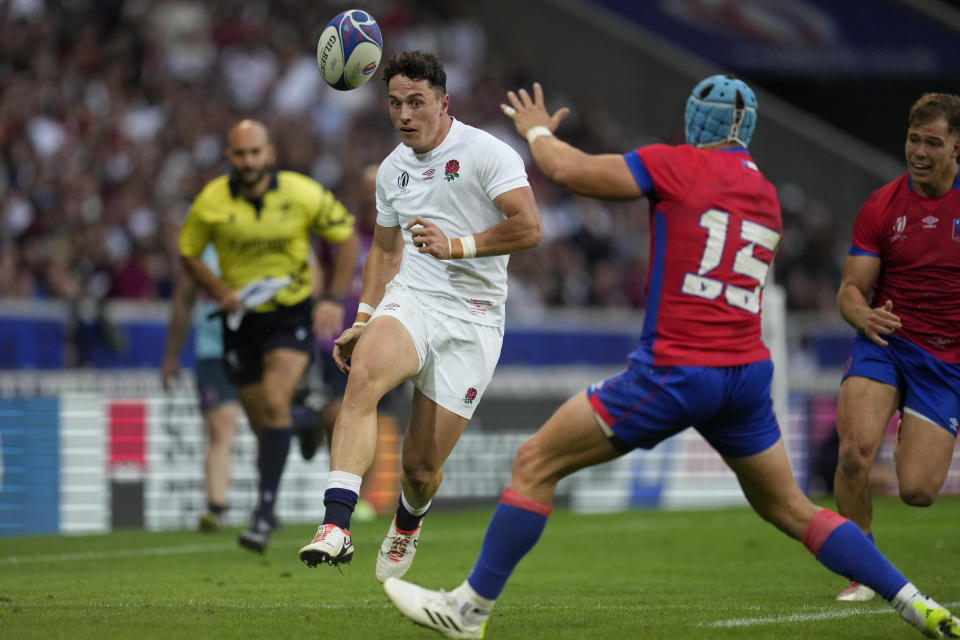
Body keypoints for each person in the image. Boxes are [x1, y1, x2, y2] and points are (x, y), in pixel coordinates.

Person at [381, 77, 960, 639]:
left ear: (694, 121)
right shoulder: (766, 194)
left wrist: (535, 132)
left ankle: (469, 608)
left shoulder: (679, 163)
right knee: (791, 507)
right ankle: (912, 601)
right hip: (746, 374)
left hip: (680, 368)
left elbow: (569, 171)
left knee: (535, 462)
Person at [297, 50, 542, 582]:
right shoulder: (391, 170)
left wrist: (456, 245)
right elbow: (384, 253)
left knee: (421, 467)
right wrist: (364, 317)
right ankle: (335, 525)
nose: (404, 115)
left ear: (443, 102)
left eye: (416, 102)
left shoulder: (485, 153)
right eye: (394, 104)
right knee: (362, 378)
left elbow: (528, 227)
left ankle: (408, 521)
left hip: (474, 318)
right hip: (414, 298)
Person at [178, 119, 359, 553]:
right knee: (263, 422)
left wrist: (333, 297)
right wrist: (219, 290)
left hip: (290, 314)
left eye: (255, 152)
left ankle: (262, 513)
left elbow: (347, 237)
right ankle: (306, 422)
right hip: (240, 320)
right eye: (240, 154)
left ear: (270, 153)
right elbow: (188, 253)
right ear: (229, 157)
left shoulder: (300, 192)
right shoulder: (211, 201)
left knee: (275, 401)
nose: (249, 162)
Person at [831, 92, 960, 603]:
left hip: (945, 360)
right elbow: (849, 290)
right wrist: (862, 314)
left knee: (919, 492)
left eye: (933, 142)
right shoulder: (882, 206)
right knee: (854, 451)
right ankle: (861, 569)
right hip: (883, 341)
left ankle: (912, 415)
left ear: (957, 148)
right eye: (913, 139)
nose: (919, 152)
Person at [161, 245, 241, 532]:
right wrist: (171, 356)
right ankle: (216, 507)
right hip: (213, 352)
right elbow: (183, 302)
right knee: (222, 427)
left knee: (268, 425)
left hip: (256, 350)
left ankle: (266, 505)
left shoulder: (261, 237)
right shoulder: (202, 254)